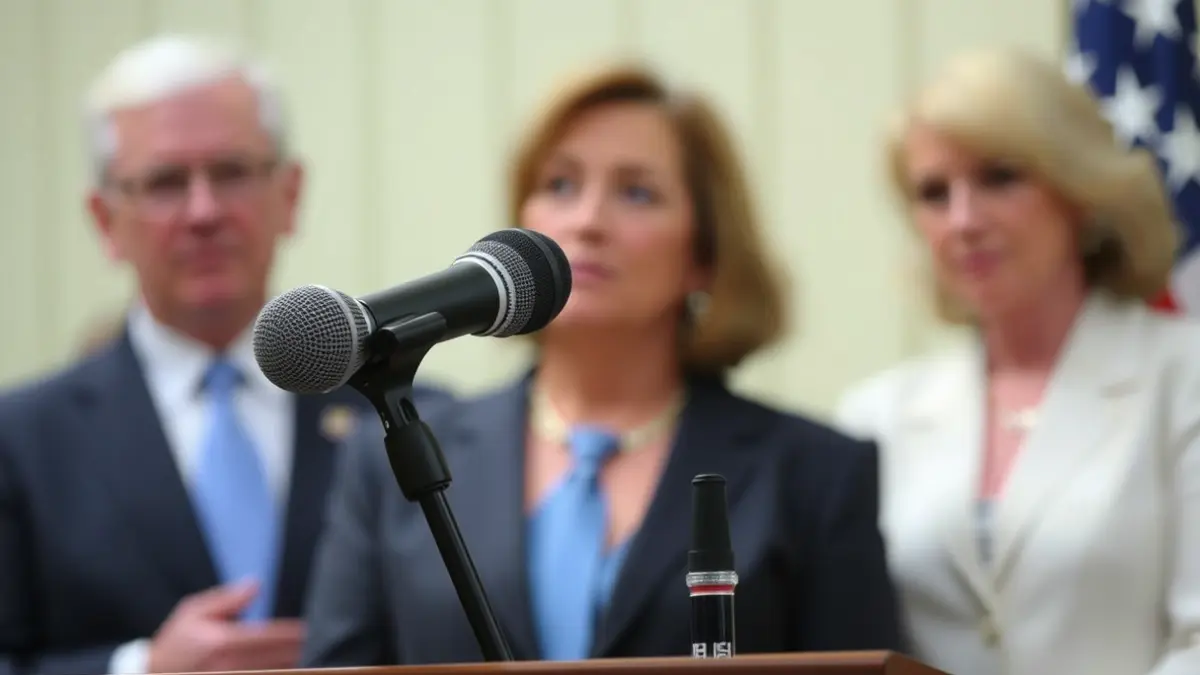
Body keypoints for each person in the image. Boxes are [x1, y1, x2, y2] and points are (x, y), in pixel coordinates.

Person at [300, 62, 904, 667]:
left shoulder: (817, 473)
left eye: (636, 192)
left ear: (704, 252)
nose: (587, 222)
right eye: (560, 185)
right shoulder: (385, 460)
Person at [0, 34, 452, 675]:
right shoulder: (21, 441)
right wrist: (139, 668)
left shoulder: (411, 416)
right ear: (105, 220)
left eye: (232, 172)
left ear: (290, 195)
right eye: (164, 183)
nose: (204, 210)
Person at [834, 47, 1200, 675]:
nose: (963, 220)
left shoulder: (1183, 374)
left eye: (999, 177)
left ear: (1078, 189)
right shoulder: (875, 416)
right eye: (933, 193)